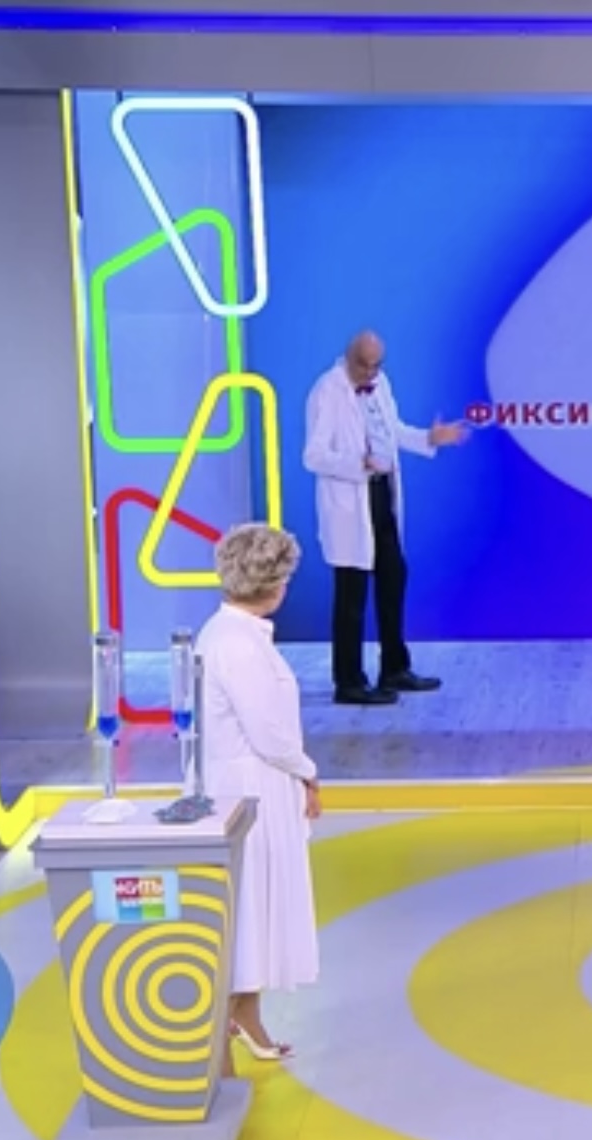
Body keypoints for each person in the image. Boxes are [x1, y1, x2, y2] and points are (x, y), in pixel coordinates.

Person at [198, 523, 320, 1063]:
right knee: (251, 907)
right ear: (273, 583)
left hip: (250, 783)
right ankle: (226, 1022)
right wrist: (308, 772)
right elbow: (269, 733)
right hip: (252, 788)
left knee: (256, 906)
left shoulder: (232, 635)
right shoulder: (238, 646)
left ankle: (245, 1013)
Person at [302, 330, 468, 706]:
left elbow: (392, 432)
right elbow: (313, 455)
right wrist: (357, 464)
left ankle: (394, 667)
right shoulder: (327, 391)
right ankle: (349, 681)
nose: (370, 373)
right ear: (348, 358)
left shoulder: (380, 385)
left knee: (393, 579)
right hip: (350, 500)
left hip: (381, 495)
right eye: (364, 365)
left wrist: (430, 438)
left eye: (376, 366)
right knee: (352, 595)